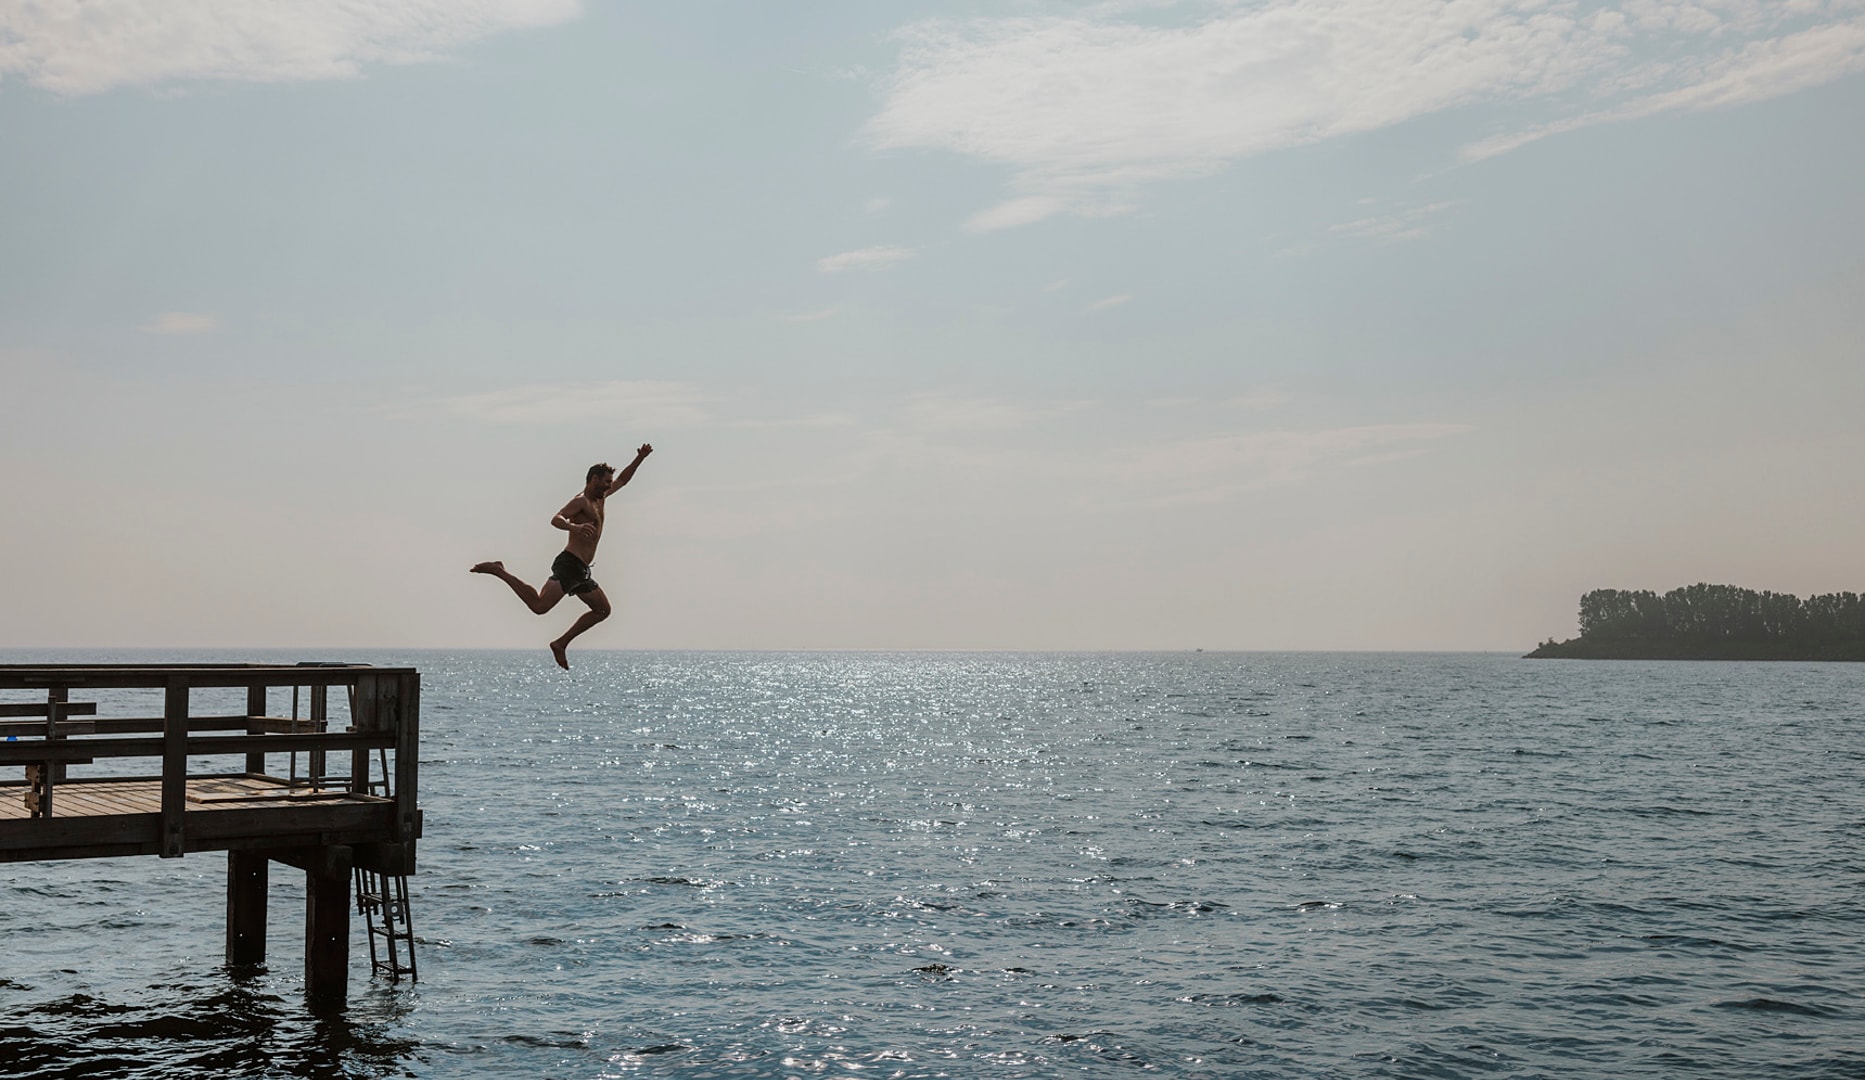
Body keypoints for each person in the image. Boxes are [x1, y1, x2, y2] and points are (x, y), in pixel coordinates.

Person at [472, 444, 653, 668]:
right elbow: (556, 518)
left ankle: (560, 643)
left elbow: (624, 480)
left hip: (582, 571)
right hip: (569, 565)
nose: (608, 486)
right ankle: (500, 571)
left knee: (603, 610)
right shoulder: (581, 502)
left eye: (609, 483)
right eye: (605, 481)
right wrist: (574, 528)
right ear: (593, 479)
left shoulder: (601, 498)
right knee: (539, 606)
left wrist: (640, 458)